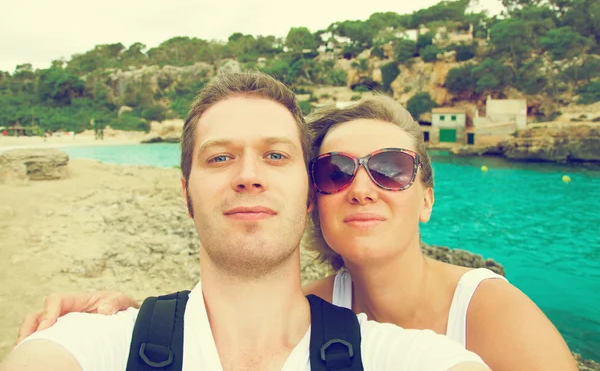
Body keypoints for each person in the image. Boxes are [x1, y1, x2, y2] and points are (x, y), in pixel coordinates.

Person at [17, 93, 579, 371]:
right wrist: (136, 315)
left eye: (390, 168)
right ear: (315, 199)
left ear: (427, 195)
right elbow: (224, 322)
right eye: (337, 171)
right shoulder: (318, 302)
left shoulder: (485, 311)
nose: (362, 188)